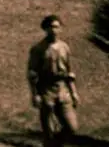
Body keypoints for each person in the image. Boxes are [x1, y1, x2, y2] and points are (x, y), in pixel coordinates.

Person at [27, 14, 80, 146]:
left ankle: (55, 144)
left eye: (56, 27)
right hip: (46, 90)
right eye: (50, 27)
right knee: (48, 130)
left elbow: (70, 72)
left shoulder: (64, 47)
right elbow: (32, 74)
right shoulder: (38, 49)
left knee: (72, 127)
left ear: (60, 29)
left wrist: (74, 92)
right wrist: (35, 94)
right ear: (45, 29)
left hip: (62, 90)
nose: (54, 30)